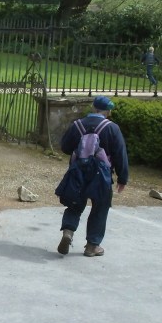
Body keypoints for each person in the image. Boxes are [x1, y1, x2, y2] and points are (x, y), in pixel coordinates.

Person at [57, 96, 129, 257]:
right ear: (108, 111)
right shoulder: (112, 128)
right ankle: (92, 246)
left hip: (78, 173)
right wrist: (122, 178)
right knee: (100, 208)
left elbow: (65, 147)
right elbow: (120, 155)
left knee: (74, 204)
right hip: (101, 175)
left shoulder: (77, 125)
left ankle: (68, 232)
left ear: (93, 107)